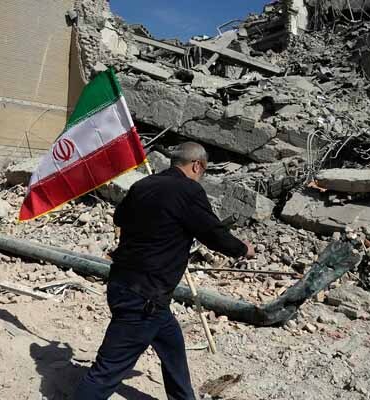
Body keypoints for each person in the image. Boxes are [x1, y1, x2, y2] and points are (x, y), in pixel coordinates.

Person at [74, 142, 254, 399]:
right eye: (203, 170)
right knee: (106, 371)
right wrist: (242, 249)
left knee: (172, 345)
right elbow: (212, 233)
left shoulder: (143, 185)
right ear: (197, 165)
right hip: (144, 298)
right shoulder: (189, 190)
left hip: (125, 285)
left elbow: (120, 218)